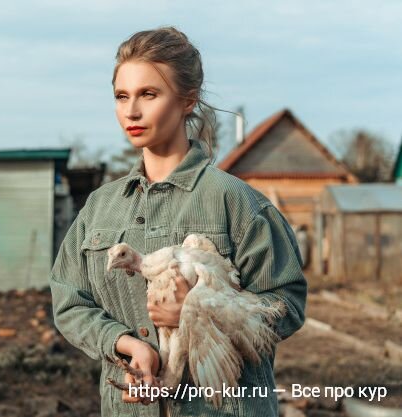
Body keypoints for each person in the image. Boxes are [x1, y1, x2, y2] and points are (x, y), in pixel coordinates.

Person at [49, 26, 307, 417]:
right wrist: (126, 344)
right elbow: (69, 300)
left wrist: (202, 312)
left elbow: (287, 304)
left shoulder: (236, 202)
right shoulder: (99, 208)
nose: (131, 111)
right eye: (122, 97)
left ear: (188, 101)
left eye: (148, 95)